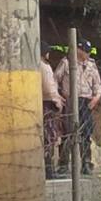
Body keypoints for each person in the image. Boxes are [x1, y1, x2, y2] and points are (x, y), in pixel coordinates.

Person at [55, 38, 101, 176]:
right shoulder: (66, 63)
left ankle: (86, 163)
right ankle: (63, 165)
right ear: (78, 49)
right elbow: (55, 80)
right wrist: (59, 96)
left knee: (86, 134)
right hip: (70, 101)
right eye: (85, 51)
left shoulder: (91, 65)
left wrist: (96, 98)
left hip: (86, 102)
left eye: (88, 52)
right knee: (68, 133)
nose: (87, 54)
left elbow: (97, 85)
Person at [39, 41, 64, 178]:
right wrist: (57, 101)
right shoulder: (44, 67)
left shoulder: (35, 66)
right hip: (48, 104)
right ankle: (49, 169)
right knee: (50, 136)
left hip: (41, 103)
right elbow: (49, 88)